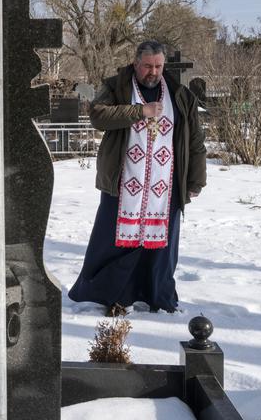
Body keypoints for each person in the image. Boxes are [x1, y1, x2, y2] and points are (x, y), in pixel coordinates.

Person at [69, 40, 207, 317]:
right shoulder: (116, 86)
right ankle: (113, 295)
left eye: (158, 66)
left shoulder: (180, 95)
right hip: (122, 182)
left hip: (165, 185)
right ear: (136, 63)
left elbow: (195, 140)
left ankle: (156, 295)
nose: (152, 72)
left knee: (161, 247)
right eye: (147, 66)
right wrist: (139, 112)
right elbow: (98, 115)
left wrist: (196, 179)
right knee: (115, 242)